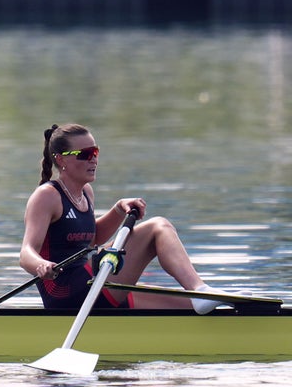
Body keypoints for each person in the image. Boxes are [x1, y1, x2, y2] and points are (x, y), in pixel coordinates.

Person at [19, 123, 230, 313]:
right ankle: (199, 288)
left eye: (95, 152)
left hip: (91, 283)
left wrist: (118, 210)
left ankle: (205, 297)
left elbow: (92, 239)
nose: (93, 159)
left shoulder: (86, 192)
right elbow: (26, 253)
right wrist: (41, 265)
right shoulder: (46, 196)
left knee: (191, 305)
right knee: (158, 227)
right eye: (84, 154)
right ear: (61, 159)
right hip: (64, 291)